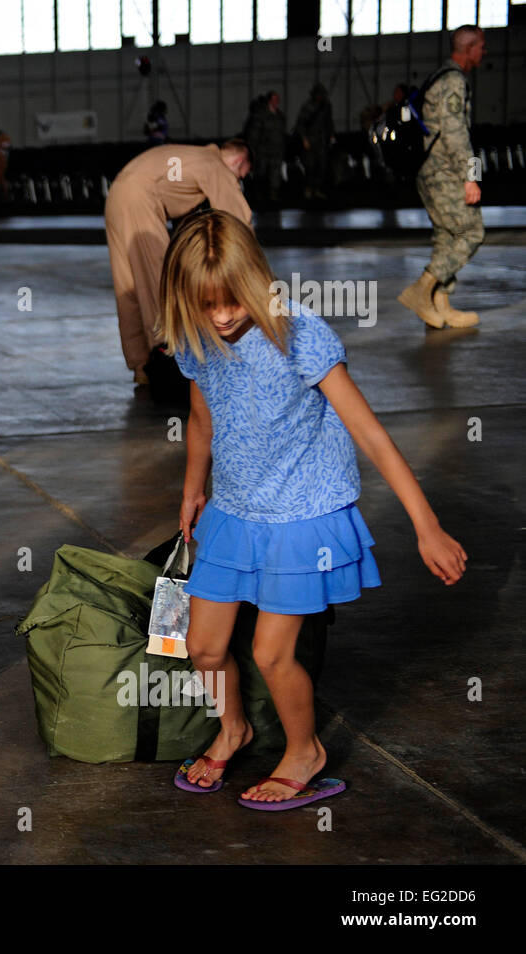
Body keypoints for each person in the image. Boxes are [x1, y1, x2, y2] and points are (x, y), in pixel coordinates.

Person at [162, 210, 466, 809]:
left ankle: (305, 752)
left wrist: (425, 525)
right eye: (206, 305)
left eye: (233, 301)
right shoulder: (196, 339)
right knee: (202, 647)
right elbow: (202, 419)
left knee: (271, 653)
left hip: (306, 513)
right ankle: (234, 729)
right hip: (236, 507)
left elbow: (370, 433)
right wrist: (193, 488)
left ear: (256, 280)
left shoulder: (298, 335)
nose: (222, 316)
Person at [104, 139, 252, 385]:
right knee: (159, 279)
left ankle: (142, 366)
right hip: (140, 199)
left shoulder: (192, 156)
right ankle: (170, 361)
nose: (236, 181)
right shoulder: (215, 165)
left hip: (117, 194)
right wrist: (254, 270)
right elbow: (237, 218)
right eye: (240, 176)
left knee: (129, 285)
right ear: (238, 162)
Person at [397, 25, 486, 330]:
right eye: (481, 47)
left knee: (447, 237)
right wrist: (470, 176)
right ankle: (421, 290)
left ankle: (441, 306)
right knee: (471, 232)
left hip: (431, 171)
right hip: (445, 173)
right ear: (469, 48)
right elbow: (456, 135)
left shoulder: (440, 76)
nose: (483, 52)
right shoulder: (452, 81)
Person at [295, 82, 335, 200]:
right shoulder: (308, 106)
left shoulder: (326, 106)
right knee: (310, 166)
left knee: (322, 166)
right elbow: (300, 124)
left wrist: (331, 135)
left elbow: (329, 122)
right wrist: (304, 139)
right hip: (310, 141)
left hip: (322, 141)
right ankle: (308, 188)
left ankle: (317, 189)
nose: (320, 97)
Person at [245, 91, 285, 204]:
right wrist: (253, 150)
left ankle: (273, 196)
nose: (277, 102)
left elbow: (281, 134)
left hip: (276, 151)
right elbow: (254, 134)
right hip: (263, 151)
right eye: (274, 99)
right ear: (269, 101)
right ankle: (259, 196)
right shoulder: (260, 115)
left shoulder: (280, 115)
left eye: (277, 99)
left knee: (275, 174)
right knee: (260, 173)